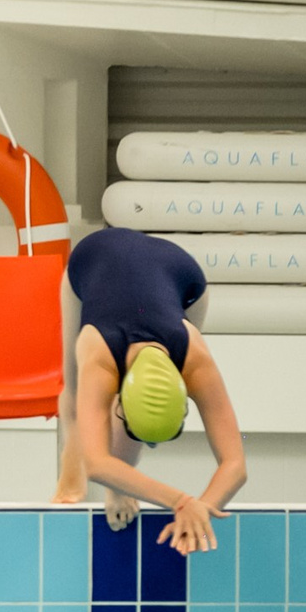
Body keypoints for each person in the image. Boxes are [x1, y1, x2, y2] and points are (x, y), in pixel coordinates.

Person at [53, 226, 246, 554]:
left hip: (182, 274)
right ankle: (72, 487)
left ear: (185, 391)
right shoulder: (96, 353)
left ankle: (121, 484)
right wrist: (180, 501)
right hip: (93, 257)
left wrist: (202, 507)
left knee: (123, 426)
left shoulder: (195, 361)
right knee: (73, 394)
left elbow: (236, 466)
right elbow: (97, 463)